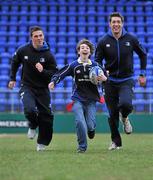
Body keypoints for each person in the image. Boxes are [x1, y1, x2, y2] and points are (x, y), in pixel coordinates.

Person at [95, 12, 147, 150]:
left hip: (127, 79)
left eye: (118, 22)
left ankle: (124, 118)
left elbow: (143, 55)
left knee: (126, 105)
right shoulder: (103, 41)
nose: (116, 24)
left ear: (122, 23)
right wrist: (100, 72)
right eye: (114, 22)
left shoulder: (131, 38)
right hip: (109, 80)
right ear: (110, 24)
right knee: (112, 114)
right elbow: (97, 60)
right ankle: (115, 141)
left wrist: (142, 74)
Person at [48, 39, 107, 153]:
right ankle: (82, 147)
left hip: (91, 99)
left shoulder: (96, 66)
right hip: (77, 98)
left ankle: (91, 130)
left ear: (90, 52)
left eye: (87, 48)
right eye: (82, 47)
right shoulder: (73, 65)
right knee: (79, 121)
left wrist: (104, 79)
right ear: (78, 51)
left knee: (90, 125)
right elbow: (61, 73)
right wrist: (54, 81)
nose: (85, 49)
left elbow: (106, 78)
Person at [8, 26, 58, 151]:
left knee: (46, 116)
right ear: (31, 38)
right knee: (29, 109)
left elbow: (54, 73)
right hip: (27, 86)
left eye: (40, 35)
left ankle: (42, 143)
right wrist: (12, 78)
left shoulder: (48, 55)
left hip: (43, 89)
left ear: (43, 36)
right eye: (36, 36)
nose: (39, 38)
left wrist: (43, 71)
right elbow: (15, 62)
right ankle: (32, 125)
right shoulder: (23, 50)